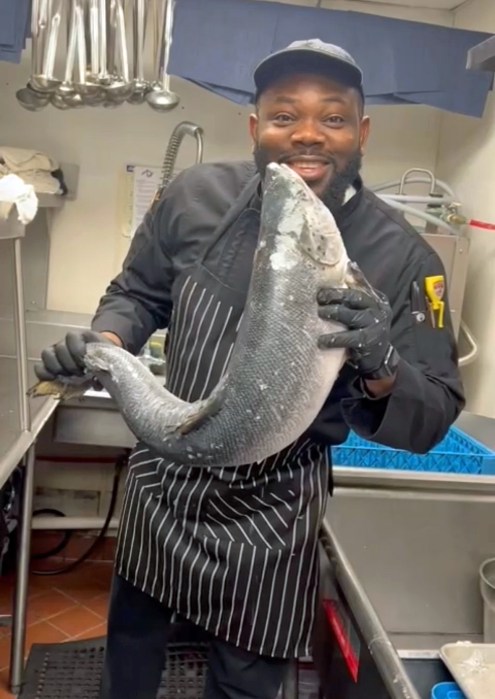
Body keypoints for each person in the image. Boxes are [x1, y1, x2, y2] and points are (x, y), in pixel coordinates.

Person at [34, 39, 465, 699]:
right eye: (284, 115)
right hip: (166, 484)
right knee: (128, 660)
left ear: (362, 131)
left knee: (244, 684)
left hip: (272, 509)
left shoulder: (403, 259)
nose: (307, 135)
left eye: (332, 117)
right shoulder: (194, 197)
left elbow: (431, 414)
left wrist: (381, 367)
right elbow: (137, 293)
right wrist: (104, 344)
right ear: (254, 126)